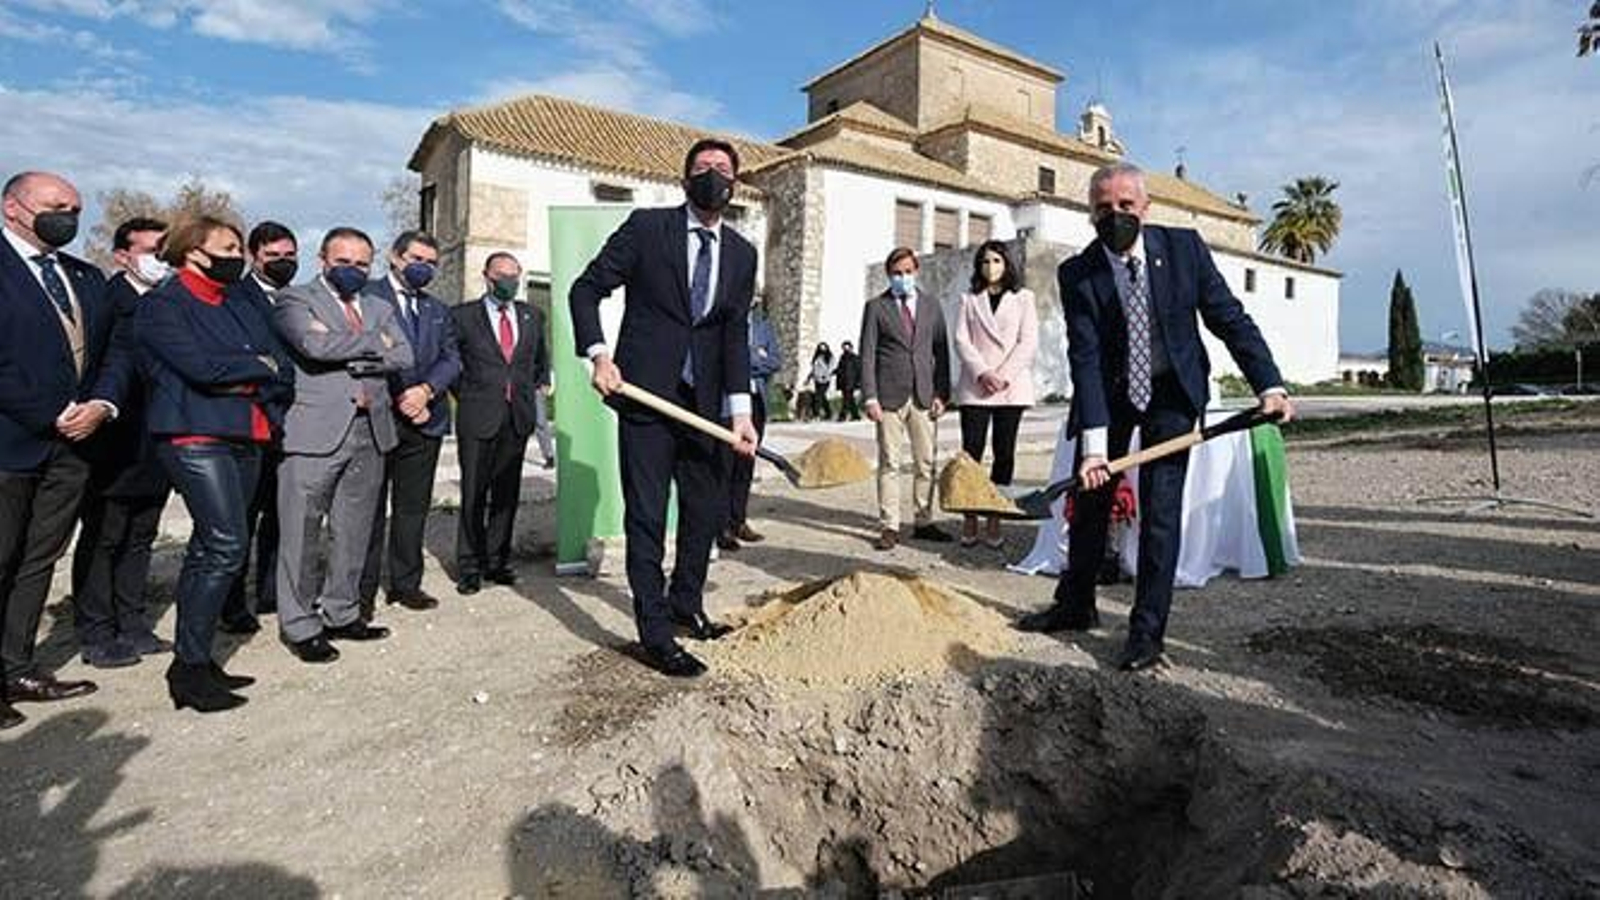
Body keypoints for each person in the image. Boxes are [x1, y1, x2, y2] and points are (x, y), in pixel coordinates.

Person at [1016, 163, 1295, 672]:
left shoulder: (1185, 250)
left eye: (1125, 206)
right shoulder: (1078, 273)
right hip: (1112, 394)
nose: (1115, 215)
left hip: (1172, 393)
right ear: (1090, 213)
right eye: (1103, 208)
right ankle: (1076, 604)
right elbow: (1087, 359)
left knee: (1160, 513)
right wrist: (1096, 451)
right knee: (1091, 503)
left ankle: (1147, 632)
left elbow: (1230, 320)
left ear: (1145, 208)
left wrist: (1268, 384)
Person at [569, 137, 759, 678]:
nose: (713, 175)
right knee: (649, 517)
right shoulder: (647, 230)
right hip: (646, 398)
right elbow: (586, 290)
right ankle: (654, 632)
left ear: (736, 185)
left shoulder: (742, 254)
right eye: (702, 168)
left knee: (703, 514)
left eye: (723, 169)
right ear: (684, 180)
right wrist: (599, 356)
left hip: (706, 407)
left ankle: (685, 605)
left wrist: (740, 411)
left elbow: (734, 335)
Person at [138, 215, 293, 712]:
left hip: (246, 432)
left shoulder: (236, 302)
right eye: (227, 246)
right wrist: (253, 369)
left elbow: (278, 364)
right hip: (194, 434)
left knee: (212, 546)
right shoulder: (163, 305)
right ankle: (187, 669)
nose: (237, 255)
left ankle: (197, 659)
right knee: (227, 542)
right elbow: (201, 369)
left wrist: (247, 370)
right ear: (193, 251)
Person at [0, 171, 128, 729]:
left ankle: (16, 666)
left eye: (76, 208)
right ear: (13, 207)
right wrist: (46, 413)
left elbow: (116, 348)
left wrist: (102, 403)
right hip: (12, 440)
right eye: (56, 206)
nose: (69, 217)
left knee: (37, 559)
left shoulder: (85, 277)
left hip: (75, 444)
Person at [272, 227, 413, 664]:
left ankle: (342, 612)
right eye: (343, 262)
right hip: (315, 431)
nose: (352, 270)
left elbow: (404, 355)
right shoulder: (295, 299)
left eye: (361, 264)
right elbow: (311, 345)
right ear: (323, 261)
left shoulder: (379, 304)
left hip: (371, 428)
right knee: (301, 531)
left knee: (354, 530)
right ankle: (299, 624)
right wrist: (374, 343)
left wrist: (344, 348)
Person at [71, 216, 174, 669]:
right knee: (105, 534)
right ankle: (96, 629)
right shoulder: (107, 303)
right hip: (115, 437)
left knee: (141, 534)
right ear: (122, 255)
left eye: (164, 253)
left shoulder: (168, 303)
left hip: (158, 438)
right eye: (150, 252)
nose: (159, 262)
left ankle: (132, 622)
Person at [359, 230, 460, 613]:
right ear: (395, 258)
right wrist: (401, 395)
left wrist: (425, 392)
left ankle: (405, 584)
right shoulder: (366, 297)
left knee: (412, 508)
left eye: (431, 263)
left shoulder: (437, 309)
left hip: (425, 419)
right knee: (367, 510)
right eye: (416, 259)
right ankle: (359, 592)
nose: (424, 267)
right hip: (377, 416)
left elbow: (451, 358)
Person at [449, 252, 547, 596]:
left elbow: (538, 364)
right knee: (474, 492)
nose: (509, 282)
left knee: (507, 494)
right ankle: (469, 566)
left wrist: (527, 392)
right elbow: (451, 364)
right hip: (478, 415)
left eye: (514, 276)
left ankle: (497, 561)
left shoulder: (532, 316)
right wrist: (471, 396)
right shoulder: (462, 316)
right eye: (502, 275)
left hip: (516, 418)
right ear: (487, 277)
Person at [221, 219, 299, 631]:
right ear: (255, 257)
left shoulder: (297, 299)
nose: (283, 263)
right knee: (242, 518)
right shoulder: (235, 297)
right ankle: (231, 603)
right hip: (253, 421)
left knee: (281, 515)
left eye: (290, 256)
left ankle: (270, 592)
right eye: (273, 257)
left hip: (294, 425)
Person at [859, 246, 952, 551]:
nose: (903, 278)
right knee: (890, 462)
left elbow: (941, 351)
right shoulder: (876, 307)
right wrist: (869, 396)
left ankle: (923, 520)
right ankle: (889, 525)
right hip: (888, 396)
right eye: (897, 273)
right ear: (889, 275)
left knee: (926, 462)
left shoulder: (931, 306)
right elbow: (868, 354)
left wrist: (942, 392)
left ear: (917, 272)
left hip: (924, 395)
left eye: (908, 272)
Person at [953, 240, 1038, 550]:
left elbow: (1027, 342)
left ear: (1007, 264)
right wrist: (983, 373)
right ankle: (970, 516)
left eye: (997, 261)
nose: (991, 267)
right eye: (986, 262)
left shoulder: (1023, 298)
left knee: (1005, 453)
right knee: (971, 454)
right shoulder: (968, 300)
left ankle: (994, 518)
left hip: (1010, 388)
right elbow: (961, 340)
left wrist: (1002, 376)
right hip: (976, 386)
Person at [718, 295, 782, 551]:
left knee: (746, 465)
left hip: (756, 400)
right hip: (728, 403)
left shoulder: (763, 325)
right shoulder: (722, 322)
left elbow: (775, 361)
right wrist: (755, 357)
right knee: (724, 465)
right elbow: (725, 360)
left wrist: (748, 359)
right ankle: (721, 526)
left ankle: (739, 520)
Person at [834, 340, 862, 421]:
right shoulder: (842, 358)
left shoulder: (854, 357)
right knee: (850, 399)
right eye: (844, 347)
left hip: (851, 382)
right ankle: (856, 415)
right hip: (843, 382)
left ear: (851, 347)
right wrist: (835, 372)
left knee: (846, 400)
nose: (846, 348)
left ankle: (842, 416)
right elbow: (840, 369)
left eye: (847, 346)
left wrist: (858, 382)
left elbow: (858, 370)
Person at [807, 342, 834, 420]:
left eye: (824, 347)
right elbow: (814, 369)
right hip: (817, 379)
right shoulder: (816, 357)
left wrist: (825, 376)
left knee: (818, 396)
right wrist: (809, 378)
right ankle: (828, 413)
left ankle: (816, 414)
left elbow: (830, 368)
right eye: (820, 347)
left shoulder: (830, 357)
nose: (822, 349)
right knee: (822, 397)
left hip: (825, 380)